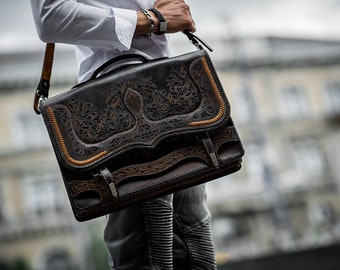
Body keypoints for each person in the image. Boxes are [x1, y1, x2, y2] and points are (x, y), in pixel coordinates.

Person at [29, 1, 217, 269]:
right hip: (116, 108)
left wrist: (160, 14)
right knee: (147, 259)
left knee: (197, 258)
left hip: (171, 92)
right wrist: (153, 19)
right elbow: (51, 16)